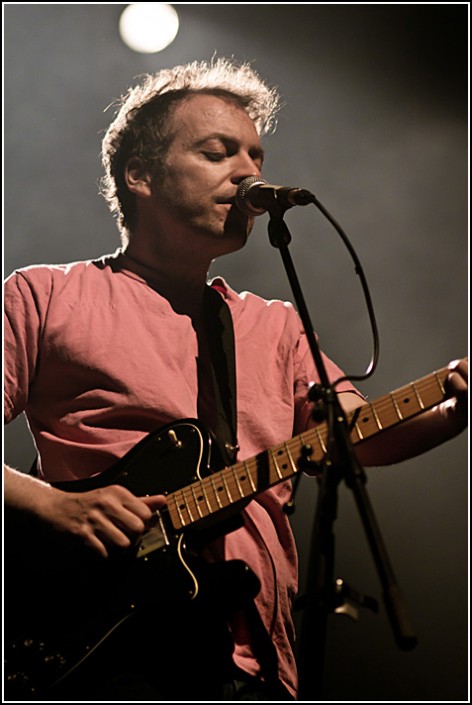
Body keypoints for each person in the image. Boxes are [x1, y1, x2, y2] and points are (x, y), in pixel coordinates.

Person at [4, 57, 468, 702]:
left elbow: (355, 437)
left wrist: (455, 406)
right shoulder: (45, 296)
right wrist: (59, 506)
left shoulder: (274, 327)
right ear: (139, 174)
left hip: (255, 662)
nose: (250, 173)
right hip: (109, 651)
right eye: (219, 152)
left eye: (256, 156)